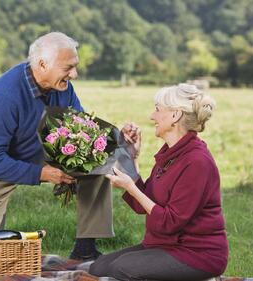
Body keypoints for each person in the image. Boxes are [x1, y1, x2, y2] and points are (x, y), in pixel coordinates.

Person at [0, 32, 112, 260]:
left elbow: (82, 128)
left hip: (38, 151)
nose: (75, 74)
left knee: (97, 161)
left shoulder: (63, 87)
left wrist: (115, 137)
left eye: (75, 67)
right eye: (68, 68)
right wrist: (41, 174)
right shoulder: (5, 94)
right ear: (42, 64)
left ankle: (85, 250)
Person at [89, 83, 228, 280]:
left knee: (121, 268)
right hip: (164, 245)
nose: (152, 116)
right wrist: (133, 157)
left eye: (157, 110)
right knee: (99, 267)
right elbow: (142, 205)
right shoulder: (170, 154)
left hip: (197, 254)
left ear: (175, 116)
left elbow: (170, 222)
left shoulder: (197, 162)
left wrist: (130, 187)